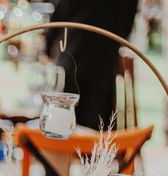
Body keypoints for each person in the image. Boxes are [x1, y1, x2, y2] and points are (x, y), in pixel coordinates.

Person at [46, 0, 139, 130]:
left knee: (63, 125)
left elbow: (61, 10)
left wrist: (47, 47)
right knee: (96, 128)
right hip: (103, 59)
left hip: (73, 54)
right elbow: (127, 25)